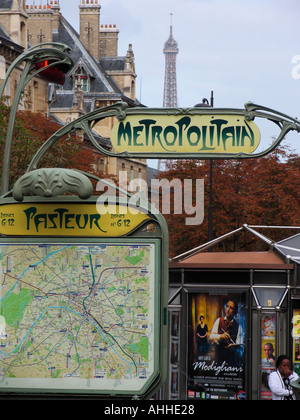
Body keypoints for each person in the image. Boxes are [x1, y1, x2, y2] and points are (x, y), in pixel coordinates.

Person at [210, 298, 243, 365]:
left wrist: (234, 348)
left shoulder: (238, 327)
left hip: (232, 362)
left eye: (231, 308)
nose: (228, 309)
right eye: (227, 306)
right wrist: (220, 336)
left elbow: (241, 350)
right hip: (218, 360)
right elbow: (211, 336)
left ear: (235, 311)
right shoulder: (219, 321)